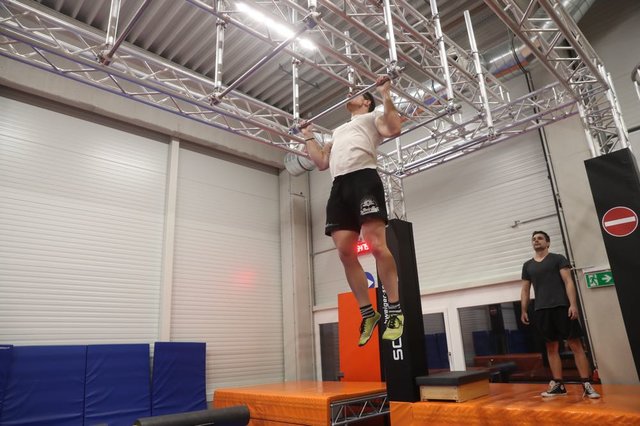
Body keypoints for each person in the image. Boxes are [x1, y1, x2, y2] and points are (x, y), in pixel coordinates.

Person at [300, 76, 404, 346]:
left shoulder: (372, 117)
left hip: (363, 179)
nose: (349, 96)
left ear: (366, 102)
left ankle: (394, 310)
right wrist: (308, 134)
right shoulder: (337, 132)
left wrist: (385, 93)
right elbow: (321, 162)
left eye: (356, 93)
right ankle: (369, 313)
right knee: (345, 252)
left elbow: (394, 128)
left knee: (377, 246)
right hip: (339, 186)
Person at [521, 231, 600, 399]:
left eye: (540, 238)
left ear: (548, 243)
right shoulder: (527, 265)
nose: (536, 241)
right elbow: (525, 289)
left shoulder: (558, 259)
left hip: (562, 307)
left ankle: (586, 384)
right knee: (551, 348)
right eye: (534, 239)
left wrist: (573, 304)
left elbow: (568, 282)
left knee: (576, 345)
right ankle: (558, 385)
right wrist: (523, 310)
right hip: (541, 310)